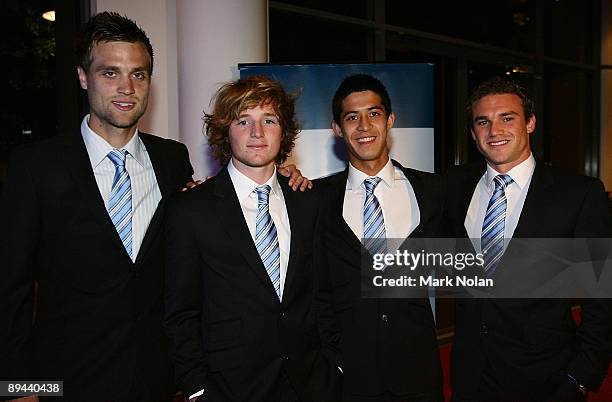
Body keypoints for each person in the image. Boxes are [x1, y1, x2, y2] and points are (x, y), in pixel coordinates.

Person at [0, 12, 307, 402]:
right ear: (83, 77)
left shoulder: (171, 160)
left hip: (157, 380)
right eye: (110, 73)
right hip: (64, 382)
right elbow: (10, 290)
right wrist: (16, 389)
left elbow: (210, 234)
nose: (127, 87)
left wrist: (281, 177)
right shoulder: (35, 167)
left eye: (139, 74)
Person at [164, 75, 341, 402]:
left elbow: (321, 294)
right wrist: (197, 388)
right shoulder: (190, 210)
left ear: (283, 131)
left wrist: (334, 366)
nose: (257, 133)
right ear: (224, 132)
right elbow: (180, 313)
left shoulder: (309, 201)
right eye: (243, 120)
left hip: (310, 384)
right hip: (228, 389)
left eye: (268, 120)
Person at [445, 77, 612, 402]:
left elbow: (602, 296)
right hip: (470, 377)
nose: (494, 131)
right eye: (483, 121)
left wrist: (580, 377)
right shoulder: (454, 185)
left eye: (507, 118)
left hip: (547, 380)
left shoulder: (578, 194)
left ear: (530, 123)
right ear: (473, 132)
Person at [316, 74, 444, 402]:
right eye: (351, 117)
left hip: (417, 375)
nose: (363, 126)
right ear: (336, 128)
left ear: (390, 120)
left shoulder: (434, 191)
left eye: (373, 114)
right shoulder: (314, 199)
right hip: (347, 379)